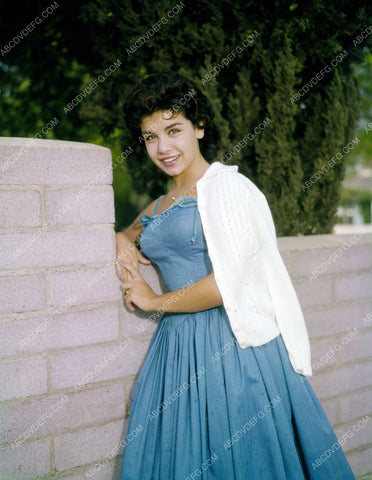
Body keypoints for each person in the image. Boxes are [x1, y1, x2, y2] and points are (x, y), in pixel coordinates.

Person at [116, 73, 355, 479]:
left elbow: (227, 284)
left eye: (174, 130)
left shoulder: (228, 188)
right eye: (150, 136)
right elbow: (132, 232)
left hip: (230, 344)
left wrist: (153, 300)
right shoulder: (160, 203)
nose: (163, 147)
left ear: (200, 127)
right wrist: (121, 239)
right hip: (174, 349)